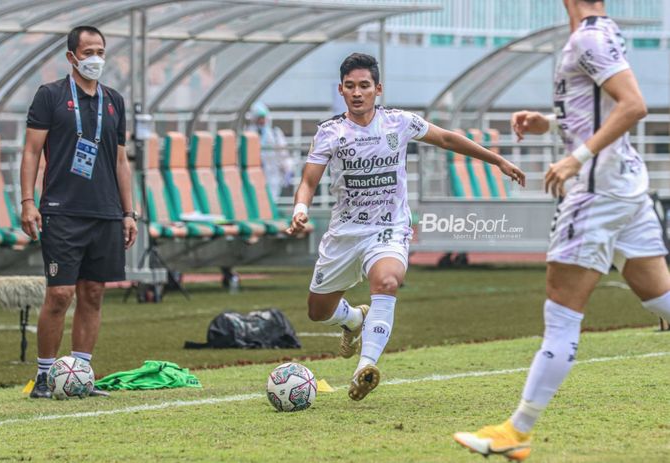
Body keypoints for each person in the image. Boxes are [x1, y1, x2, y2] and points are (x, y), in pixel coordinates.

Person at [454, 1, 670, 460]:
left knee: (561, 315)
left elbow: (633, 106)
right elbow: (604, 107)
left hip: (595, 194)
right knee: (660, 299)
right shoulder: (600, 31)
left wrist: (577, 157)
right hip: (625, 189)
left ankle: (518, 431)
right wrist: (550, 123)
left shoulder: (588, 38)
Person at [286, 53, 525, 401]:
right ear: (341, 90)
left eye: (364, 86)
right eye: (350, 86)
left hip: (389, 227)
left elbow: (446, 139)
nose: (357, 92)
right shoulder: (330, 133)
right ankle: (354, 320)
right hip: (344, 233)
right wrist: (300, 208)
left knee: (387, 281)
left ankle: (363, 369)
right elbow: (309, 180)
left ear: (377, 89)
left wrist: (498, 159)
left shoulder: (400, 122)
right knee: (317, 311)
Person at [20, 25, 138, 399]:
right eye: (87, 52)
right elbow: (30, 152)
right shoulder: (50, 96)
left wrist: (129, 212)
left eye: (100, 51)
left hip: (105, 212)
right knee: (60, 294)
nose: (95, 59)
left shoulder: (114, 101)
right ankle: (43, 376)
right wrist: (27, 202)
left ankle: (80, 374)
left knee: (93, 293)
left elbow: (121, 161)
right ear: (71, 57)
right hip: (61, 211)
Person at [249, 102, 295, 201]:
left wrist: (288, 169)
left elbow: (283, 153)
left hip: (274, 174)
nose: (261, 121)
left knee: (272, 200)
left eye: (263, 118)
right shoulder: (249, 134)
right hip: (256, 173)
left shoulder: (275, 133)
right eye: (259, 118)